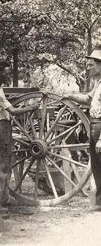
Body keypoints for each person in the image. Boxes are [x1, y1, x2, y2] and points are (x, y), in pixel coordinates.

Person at [0, 61, 39, 211]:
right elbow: (13, 111)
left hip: (3, 127)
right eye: (6, 72)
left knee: (5, 164)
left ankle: (4, 199)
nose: (8, 75)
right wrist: (31, 107)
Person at [63, 48, 101, 211]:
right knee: (97, 166)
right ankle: (99, 203)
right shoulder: (99, 83)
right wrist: (71, 95)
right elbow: (87, 99)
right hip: (93, 125)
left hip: (100, 126)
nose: (89, 68)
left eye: (92, 65)